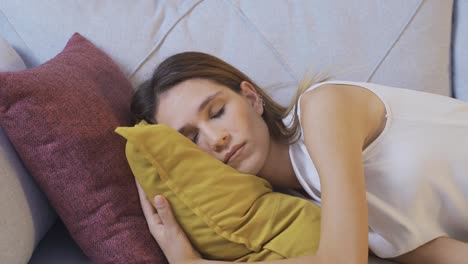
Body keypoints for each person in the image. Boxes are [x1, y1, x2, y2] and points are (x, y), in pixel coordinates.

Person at [130, 51, 468, 264]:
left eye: (217, 111)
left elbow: (342, 261)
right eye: (191, 139)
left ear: (251, 98)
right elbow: (446, 253)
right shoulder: (316, 210)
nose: (216, 139)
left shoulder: (321, 109)